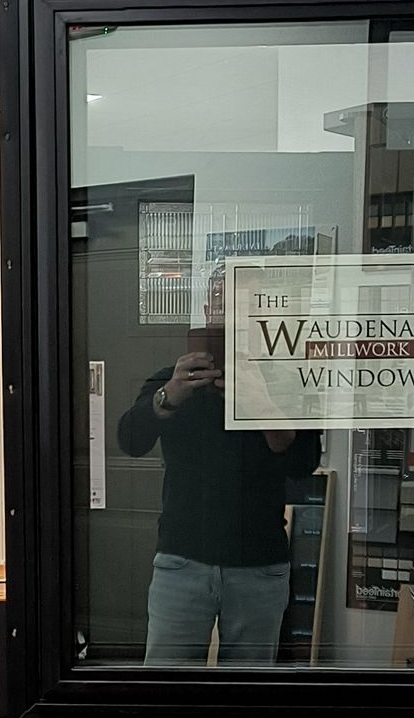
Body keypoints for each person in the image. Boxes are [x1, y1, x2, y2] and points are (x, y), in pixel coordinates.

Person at [117, 282, 321, 664]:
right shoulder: (173, 379)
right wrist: (169, 395)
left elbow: (303, 462)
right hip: (182, 561)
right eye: (220, 303)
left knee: (248, 699)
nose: (227, 315)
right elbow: (129, 439)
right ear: (207, 310)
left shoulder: (281, 384)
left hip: (259, 564)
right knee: (166, 691)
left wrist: (260, 405)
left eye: (241, 307)